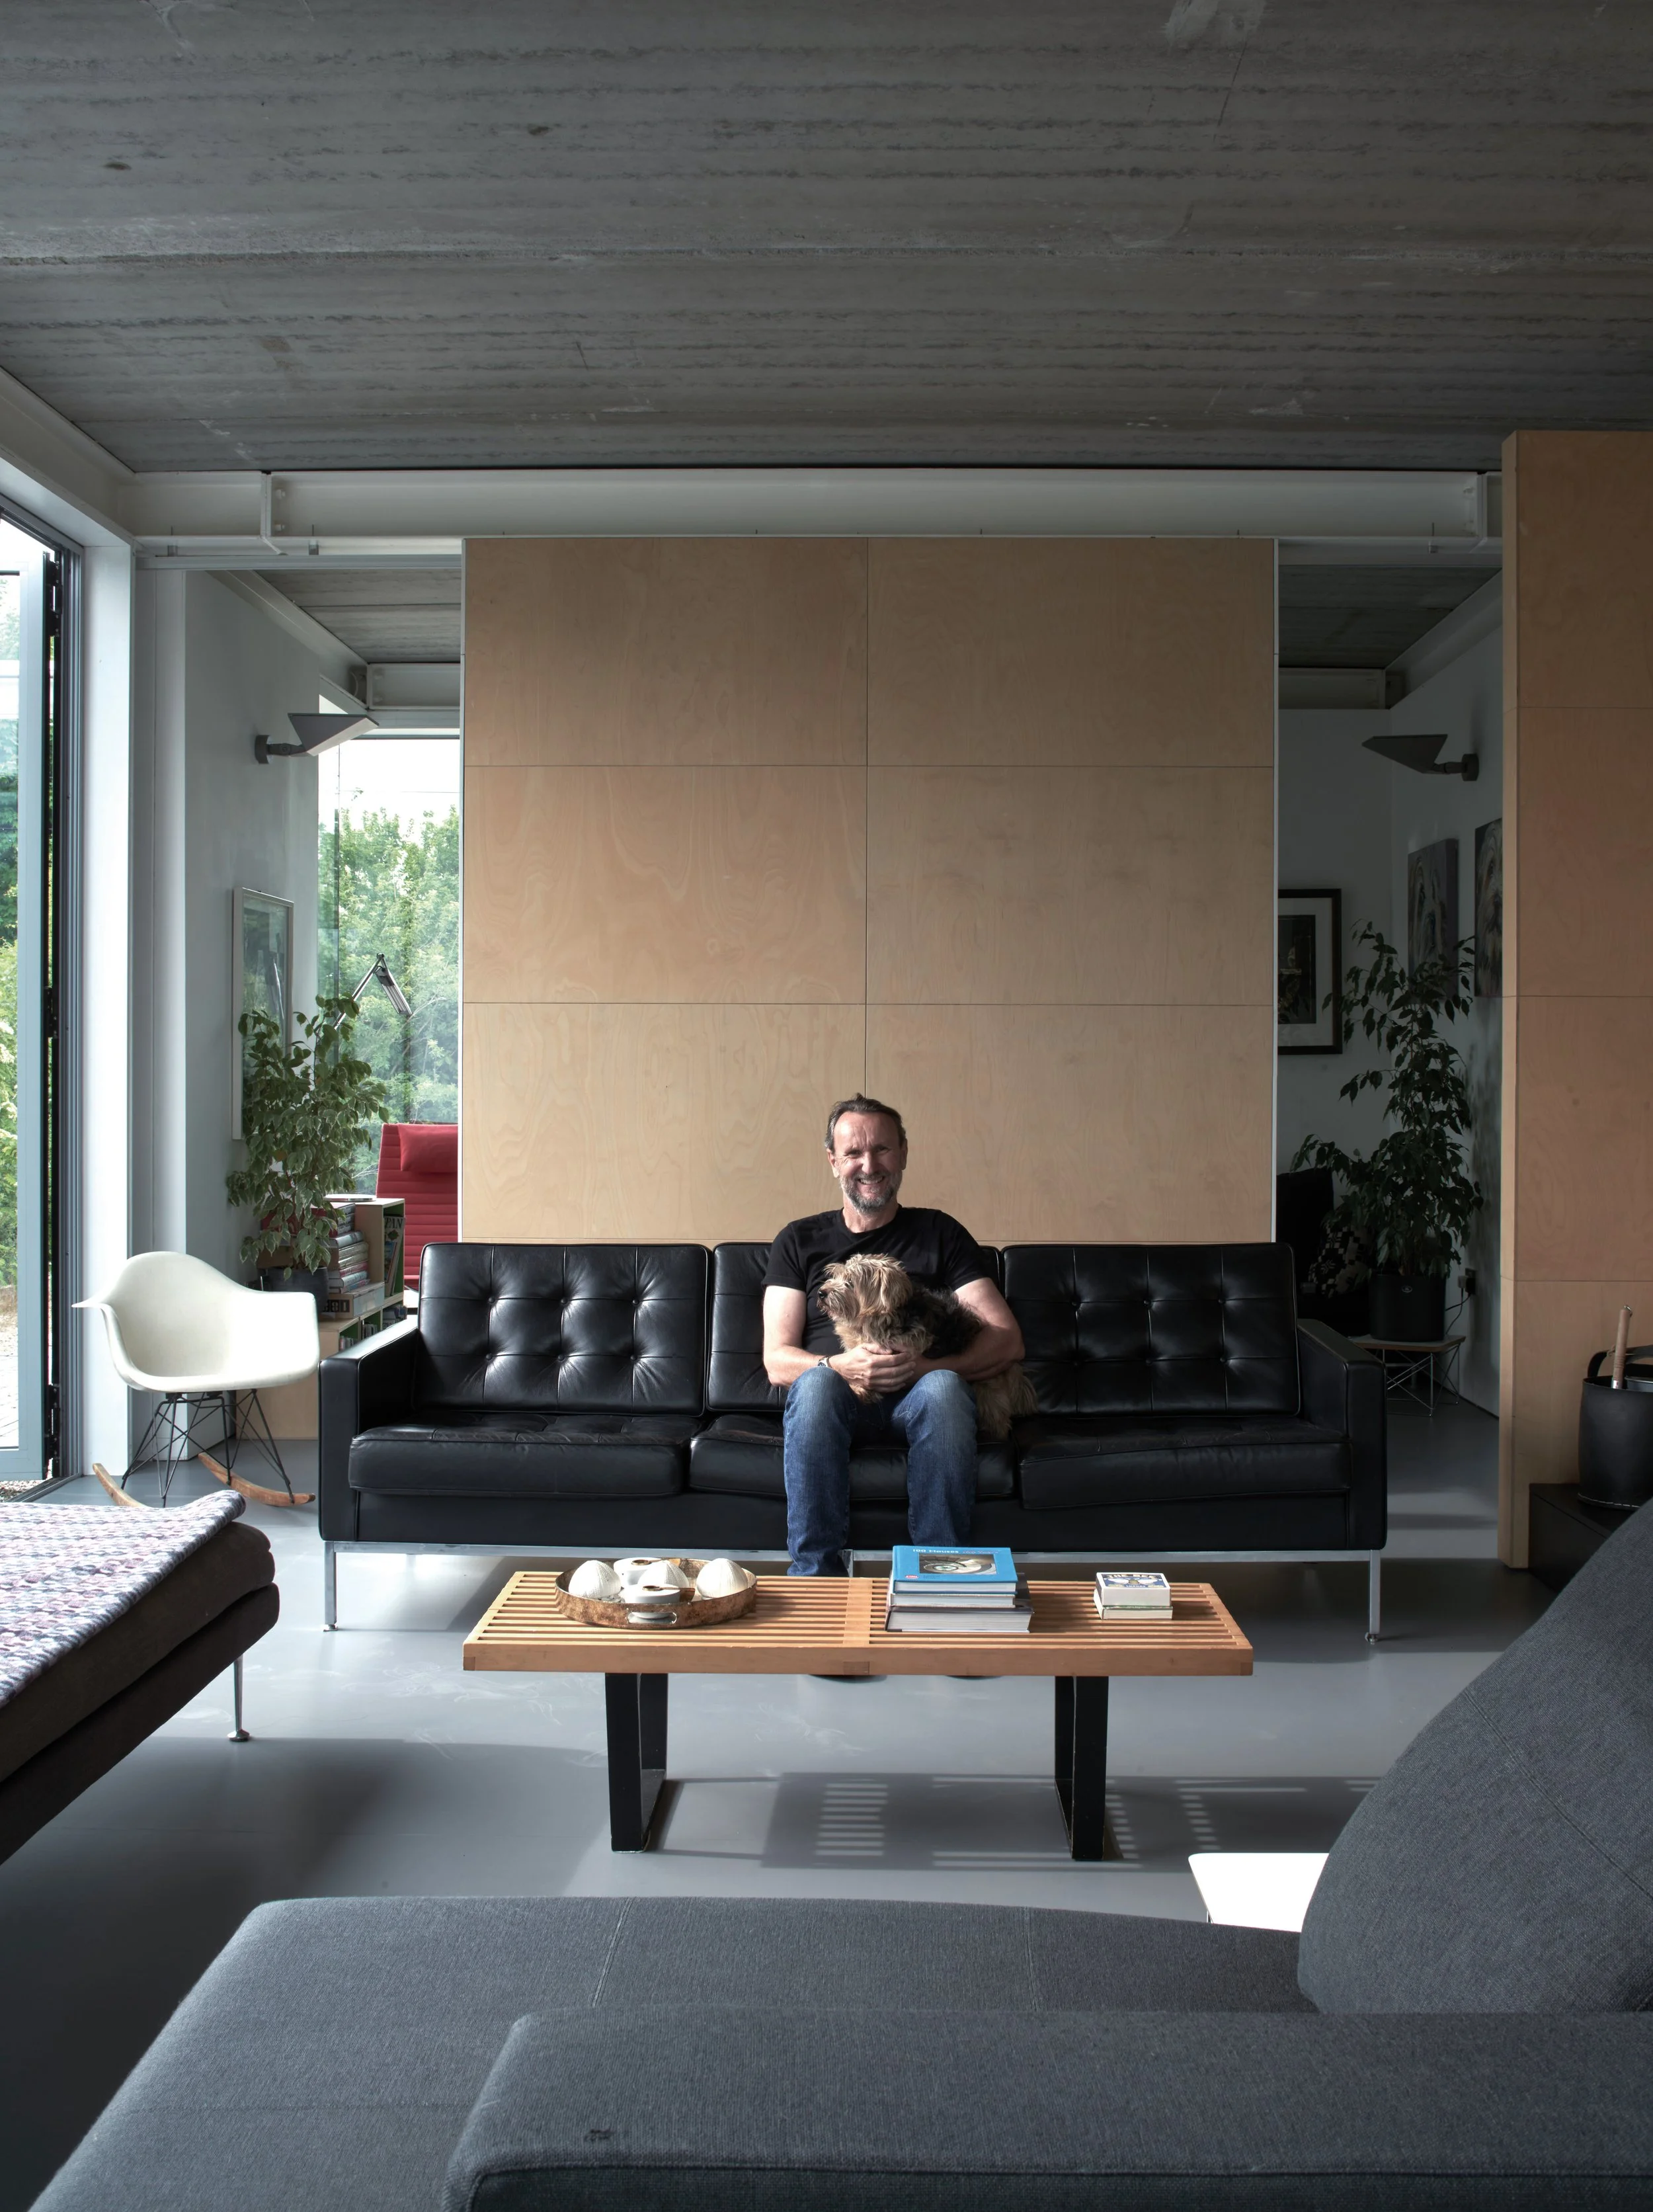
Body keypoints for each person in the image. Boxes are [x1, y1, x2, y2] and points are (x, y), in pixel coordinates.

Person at [762, 1094, 1024, 1576]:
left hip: (920, 1401)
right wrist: (843, 1365)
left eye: (882, 1149)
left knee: (944, 1388)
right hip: (838, 1400)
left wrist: (926, 1368)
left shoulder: (940, 1233)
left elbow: (1007, 1340)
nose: (869, 1164)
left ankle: (940, 1574)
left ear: (903, 1152)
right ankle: (816, 1577)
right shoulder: (797, 1241)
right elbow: (777, 1360)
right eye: (854, 1153)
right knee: (817, 1383)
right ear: (833, 1161)